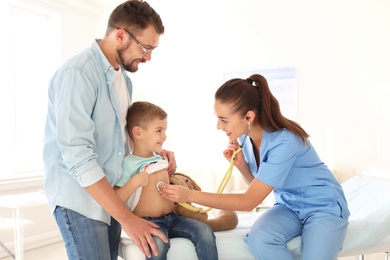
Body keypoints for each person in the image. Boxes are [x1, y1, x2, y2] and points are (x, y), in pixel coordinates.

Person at [160, 74, 350, 260]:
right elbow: (261, 188)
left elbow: (249, 201)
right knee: (260, 239)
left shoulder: (285, 142)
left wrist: (189, 195)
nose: (219, 126)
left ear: (249, 117)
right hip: (289, 206)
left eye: (224, 120)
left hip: (323, 207)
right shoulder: (246, 138)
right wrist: (242, 166)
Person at [43, 1, 176, 259]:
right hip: (81, 200)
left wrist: (155, 151)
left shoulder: (123, 81)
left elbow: (119, 144)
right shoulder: (78, 74)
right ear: (121, 35)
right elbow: (78, 155)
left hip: (113, 195)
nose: (148, 57)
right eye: (146, 48)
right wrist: (127, 217)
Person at [114, 101, 218, 260]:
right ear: (138, 133)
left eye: (164, 130)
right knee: (157, 246)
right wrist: (135, 181)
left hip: (173, 217)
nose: (164, 136)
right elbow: (117, 199)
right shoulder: (128, 164)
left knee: (204, 231)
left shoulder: (160, 158)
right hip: (149, 222)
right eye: (159, 131)